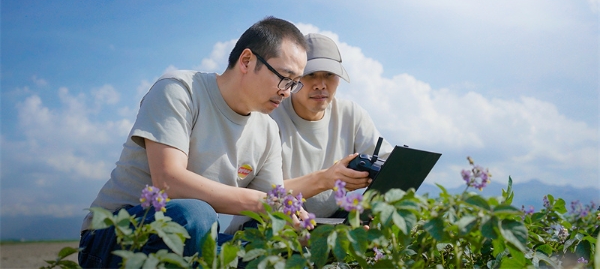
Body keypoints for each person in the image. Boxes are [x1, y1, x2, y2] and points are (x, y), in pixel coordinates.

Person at [78, 16, 310, 268]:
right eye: (284, 77)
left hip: (194, 239)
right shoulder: (179, 90)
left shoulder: (268, 131)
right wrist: (260, 202)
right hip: (117, 235)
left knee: (274, 245)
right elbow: (169, 182)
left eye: (294, 83)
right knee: (194, 215)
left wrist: (298, 225)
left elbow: (271, 205)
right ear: (246, 61)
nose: (286, 92)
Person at [269, 33, 394, 219]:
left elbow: (392, 169)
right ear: (293, 77)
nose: (320, 85)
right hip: (270, 225)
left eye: (329, 75)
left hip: (328, 225)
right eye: (310, 75)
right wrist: (325, 179)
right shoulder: (269, 117)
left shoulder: (351, 114)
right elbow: (261, 194)